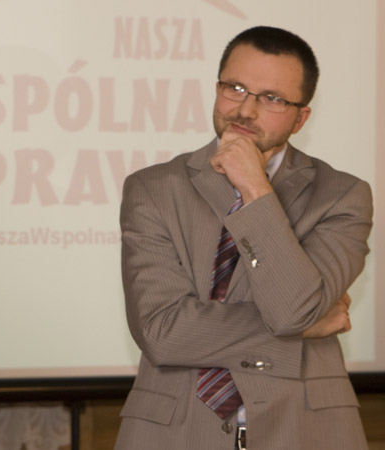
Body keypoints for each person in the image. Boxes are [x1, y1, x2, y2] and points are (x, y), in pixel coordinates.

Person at [115, 26, 372, 450]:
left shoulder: (342, 196)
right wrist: (303, 330)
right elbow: (162, 332)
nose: (246, 110)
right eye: (234, 88)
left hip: (306, 430)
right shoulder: (153, 188)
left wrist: (255, 187)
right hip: (173, 432)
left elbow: (291, 310)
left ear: (301, 118)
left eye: (272, 98)